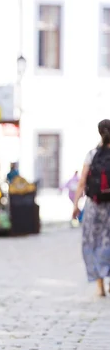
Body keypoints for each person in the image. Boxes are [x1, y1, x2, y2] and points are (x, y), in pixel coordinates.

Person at [73, 120, 110, 297]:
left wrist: (75, 205)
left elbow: (82, 182)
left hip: (94, 206)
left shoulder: (92, 154)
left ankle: (100, 285)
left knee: (93, 243)